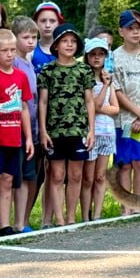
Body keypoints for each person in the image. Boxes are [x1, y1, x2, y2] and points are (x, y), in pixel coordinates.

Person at [37, 23, 95, 225]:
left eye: (73, 41)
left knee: (76, 175)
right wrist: (43, 131)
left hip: (78, 129)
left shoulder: (84, 70)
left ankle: (71, 217)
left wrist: (91, 131)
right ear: (55, 46)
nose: (69, 45)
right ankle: (59, 219)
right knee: (57, 175)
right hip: (55, 131)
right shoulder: (47, 70)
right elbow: (43, 102)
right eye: (64, 41)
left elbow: (89, 101)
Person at [0, 29, 33, 237]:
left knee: (8, 181)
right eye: (4, 51)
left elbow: (24, 107)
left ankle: (4, 225)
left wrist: (28, 137)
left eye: (12, 50)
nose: (9, 54)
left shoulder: (21, 76)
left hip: (14, 138)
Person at [112, 10, 140, 214]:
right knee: (124, 164)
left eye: (138, 28)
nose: (135, 33)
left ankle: (138, 206)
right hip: (123, 119)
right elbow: (116, 89)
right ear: (121, 31)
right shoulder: (115, 57)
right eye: (130, 28)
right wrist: (137, 112)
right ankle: (125, 207)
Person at [11, 15, 42, 231]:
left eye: (34, 37)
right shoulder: (14, 63)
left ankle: (25, 219)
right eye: (25, 37)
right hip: (17, 130)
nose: (30, 41)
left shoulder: (29, 63)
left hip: (32, 129)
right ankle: (18, 222)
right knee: (19, 178)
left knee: (31, 177)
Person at [82, 37, 118, 221]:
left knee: (100, 176)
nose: (97, 58)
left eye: (101, 54)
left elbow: (116, 108)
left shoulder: (108, 79)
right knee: (88, 178)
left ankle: (97, 214)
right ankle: (86, 215)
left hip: (107, 132)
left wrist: (99, 108)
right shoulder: (86, 79)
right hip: (91, 132)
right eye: (93, 54)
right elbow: (92, 105)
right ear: (87, 56)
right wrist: (104, 87)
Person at [31, 1, 64, 75]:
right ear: (36, 23)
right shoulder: (29, 49)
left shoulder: (66, 49)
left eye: (52, 21)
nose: (47, 25)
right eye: (43, 21)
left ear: (59, 23)